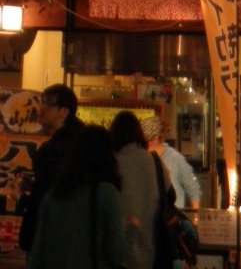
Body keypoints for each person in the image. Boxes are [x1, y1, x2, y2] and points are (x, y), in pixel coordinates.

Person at [27, 125, 129, 269]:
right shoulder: (106, 193)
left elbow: (37, 255)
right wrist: (131, 230)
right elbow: (117, 254)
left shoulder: (53, 196)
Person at [19, 84, 84, 251]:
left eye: (47, 104)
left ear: (63, 112)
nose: (40, 108)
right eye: (41, 103)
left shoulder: (57, 149)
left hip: (50, 236)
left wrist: (23, 199)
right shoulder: (78, 142)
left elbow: (48, 195)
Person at [110, 111, 163, 269]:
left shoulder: (110, 164)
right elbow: (169, 194)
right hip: (149, 248)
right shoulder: (153, 160)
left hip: (118, 250)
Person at [141, 116, 201, 208]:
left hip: (171, 214)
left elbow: (193, 189)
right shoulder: (140, 158)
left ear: (155, 139)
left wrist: (195, 214)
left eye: (144, 142)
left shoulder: (175, 159)